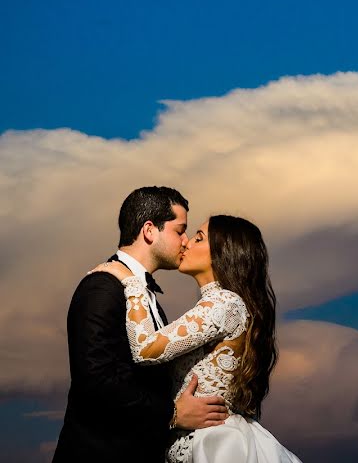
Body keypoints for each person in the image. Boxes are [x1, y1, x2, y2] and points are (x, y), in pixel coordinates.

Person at [95, 214, 302, 463]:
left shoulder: (225, 304)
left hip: (214, 446)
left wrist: (131, 282)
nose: (186, 243)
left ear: (223, 253)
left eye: (199, 238)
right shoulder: (217, 304)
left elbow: (145, 348)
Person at [53, 187, 229, 463]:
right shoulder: (101, 287)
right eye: (179, 230)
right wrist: (173, 414)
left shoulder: (145, 297)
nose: (185, 241)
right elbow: (96, 381)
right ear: (149, 230)